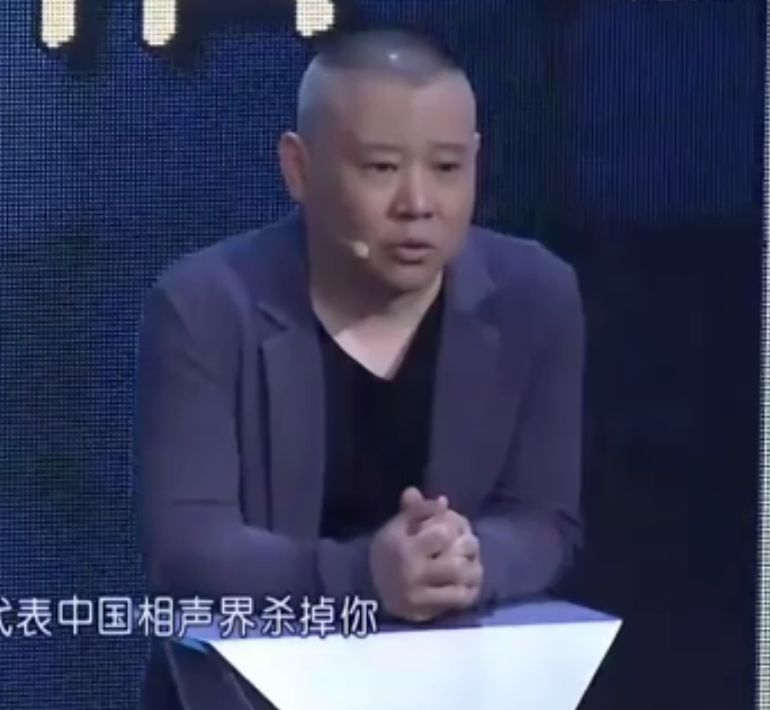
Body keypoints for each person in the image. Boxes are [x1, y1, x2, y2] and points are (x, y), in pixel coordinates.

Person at [134, 28, 584, 634]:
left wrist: (468, 558)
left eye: (447, 167)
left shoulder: (534, 295)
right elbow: (188, 547)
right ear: (299, 169)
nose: (418, 202)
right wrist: (363, 576)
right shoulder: (204, 304)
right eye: (381, 168)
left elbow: (545, 520)